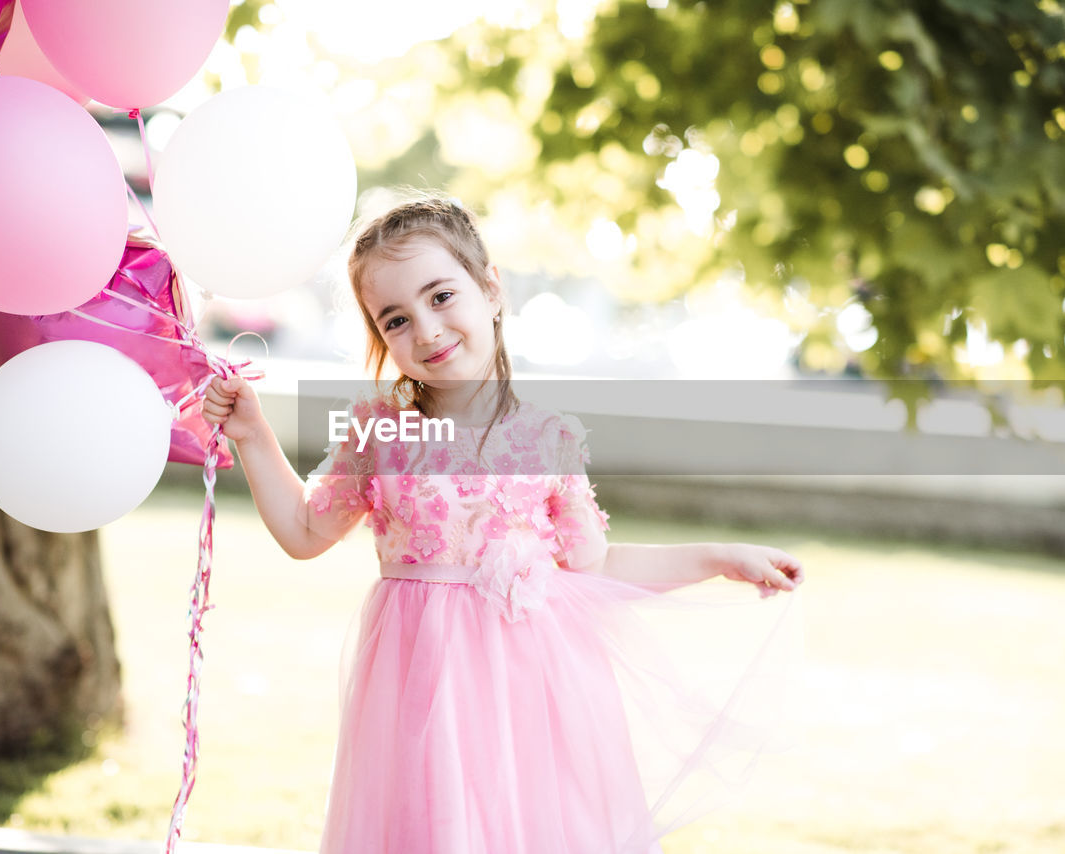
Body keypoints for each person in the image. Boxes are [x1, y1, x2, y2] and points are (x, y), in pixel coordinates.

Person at [202, 196, 805, 854]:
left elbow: (593, 565)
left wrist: (718, 556)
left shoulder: (546, 438)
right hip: (419, 686)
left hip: (525, 689)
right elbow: (303, 530)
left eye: (440, 297)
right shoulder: (381, 429)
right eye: (396, 319)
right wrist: (254, 435)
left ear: (491, 290)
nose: (427, 331)